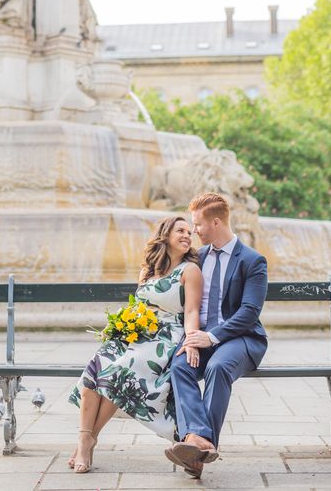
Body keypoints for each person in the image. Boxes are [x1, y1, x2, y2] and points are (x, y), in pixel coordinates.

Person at [68, 215, 203, 474]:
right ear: (165, 235)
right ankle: (86, 437)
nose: (187, 235)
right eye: (181, 231)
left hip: (165, 337)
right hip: (138, 332)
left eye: (190, 232)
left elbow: (192, 311)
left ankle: (86, 440)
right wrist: (120, 325)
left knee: (122, 371)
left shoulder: (190, 271)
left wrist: (193, 341)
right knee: (94, 371)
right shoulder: (148, 270)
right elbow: (137, 307)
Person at [167, 191, 268, 478]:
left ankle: (197, 453)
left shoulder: (252, 260)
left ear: (215, 222)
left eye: (197, 224)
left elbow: (249, 312)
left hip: (243, 338)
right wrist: (194, 337)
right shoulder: (197, 258)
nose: (193, 231)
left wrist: (211, 338)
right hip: (203, 336)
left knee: (218, 366)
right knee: (180, 365)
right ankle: (199, 439)